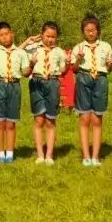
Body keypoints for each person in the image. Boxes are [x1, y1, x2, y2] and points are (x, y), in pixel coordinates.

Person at [70, 16, 112, 167]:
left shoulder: (106, 46)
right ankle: (86, 156)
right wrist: (78, 59)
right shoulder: (78, 47)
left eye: (93, 30)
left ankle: (95, 156)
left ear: (98, 31)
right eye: (87, 30)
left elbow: (110, 68)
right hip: (83, 78)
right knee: (84, 119)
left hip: (100, 80)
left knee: (97, 119)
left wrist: (110, 64)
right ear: (83, 31)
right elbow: (74, 69)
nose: (90, 33)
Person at [23, 22, 68, 165]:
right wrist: (27, 42)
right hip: (37, 82)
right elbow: (15, 53)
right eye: (47, 36)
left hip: (53, 83)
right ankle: (40, 154)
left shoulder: (59, 51)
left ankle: (49, 155)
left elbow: (62, 70)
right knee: (39, 119)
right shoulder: (33, 49)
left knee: (50, 120)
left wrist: (66, 64)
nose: (50, 39)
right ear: (41, 34)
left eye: (53, 37)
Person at [0, 22, 29, 164]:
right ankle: (0, 153)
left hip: (14, 86)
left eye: (6, 34)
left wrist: (33, 63)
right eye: (1, 35)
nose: (4, 37)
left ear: (12, 34)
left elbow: (25, 72)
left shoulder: (21, 53)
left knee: (11, 122)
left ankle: (10, 153)